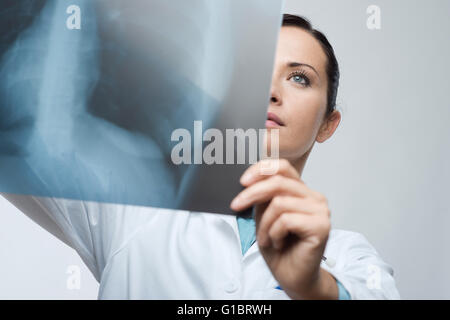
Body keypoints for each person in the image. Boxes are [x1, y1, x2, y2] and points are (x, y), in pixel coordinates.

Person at [1, 14, 400, 299]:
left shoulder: (348, 256)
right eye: (256, 73)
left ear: (328, 124)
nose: (271, 91)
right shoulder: (133, 209)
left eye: (299, 77)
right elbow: (15, 138)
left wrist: (314, 287)